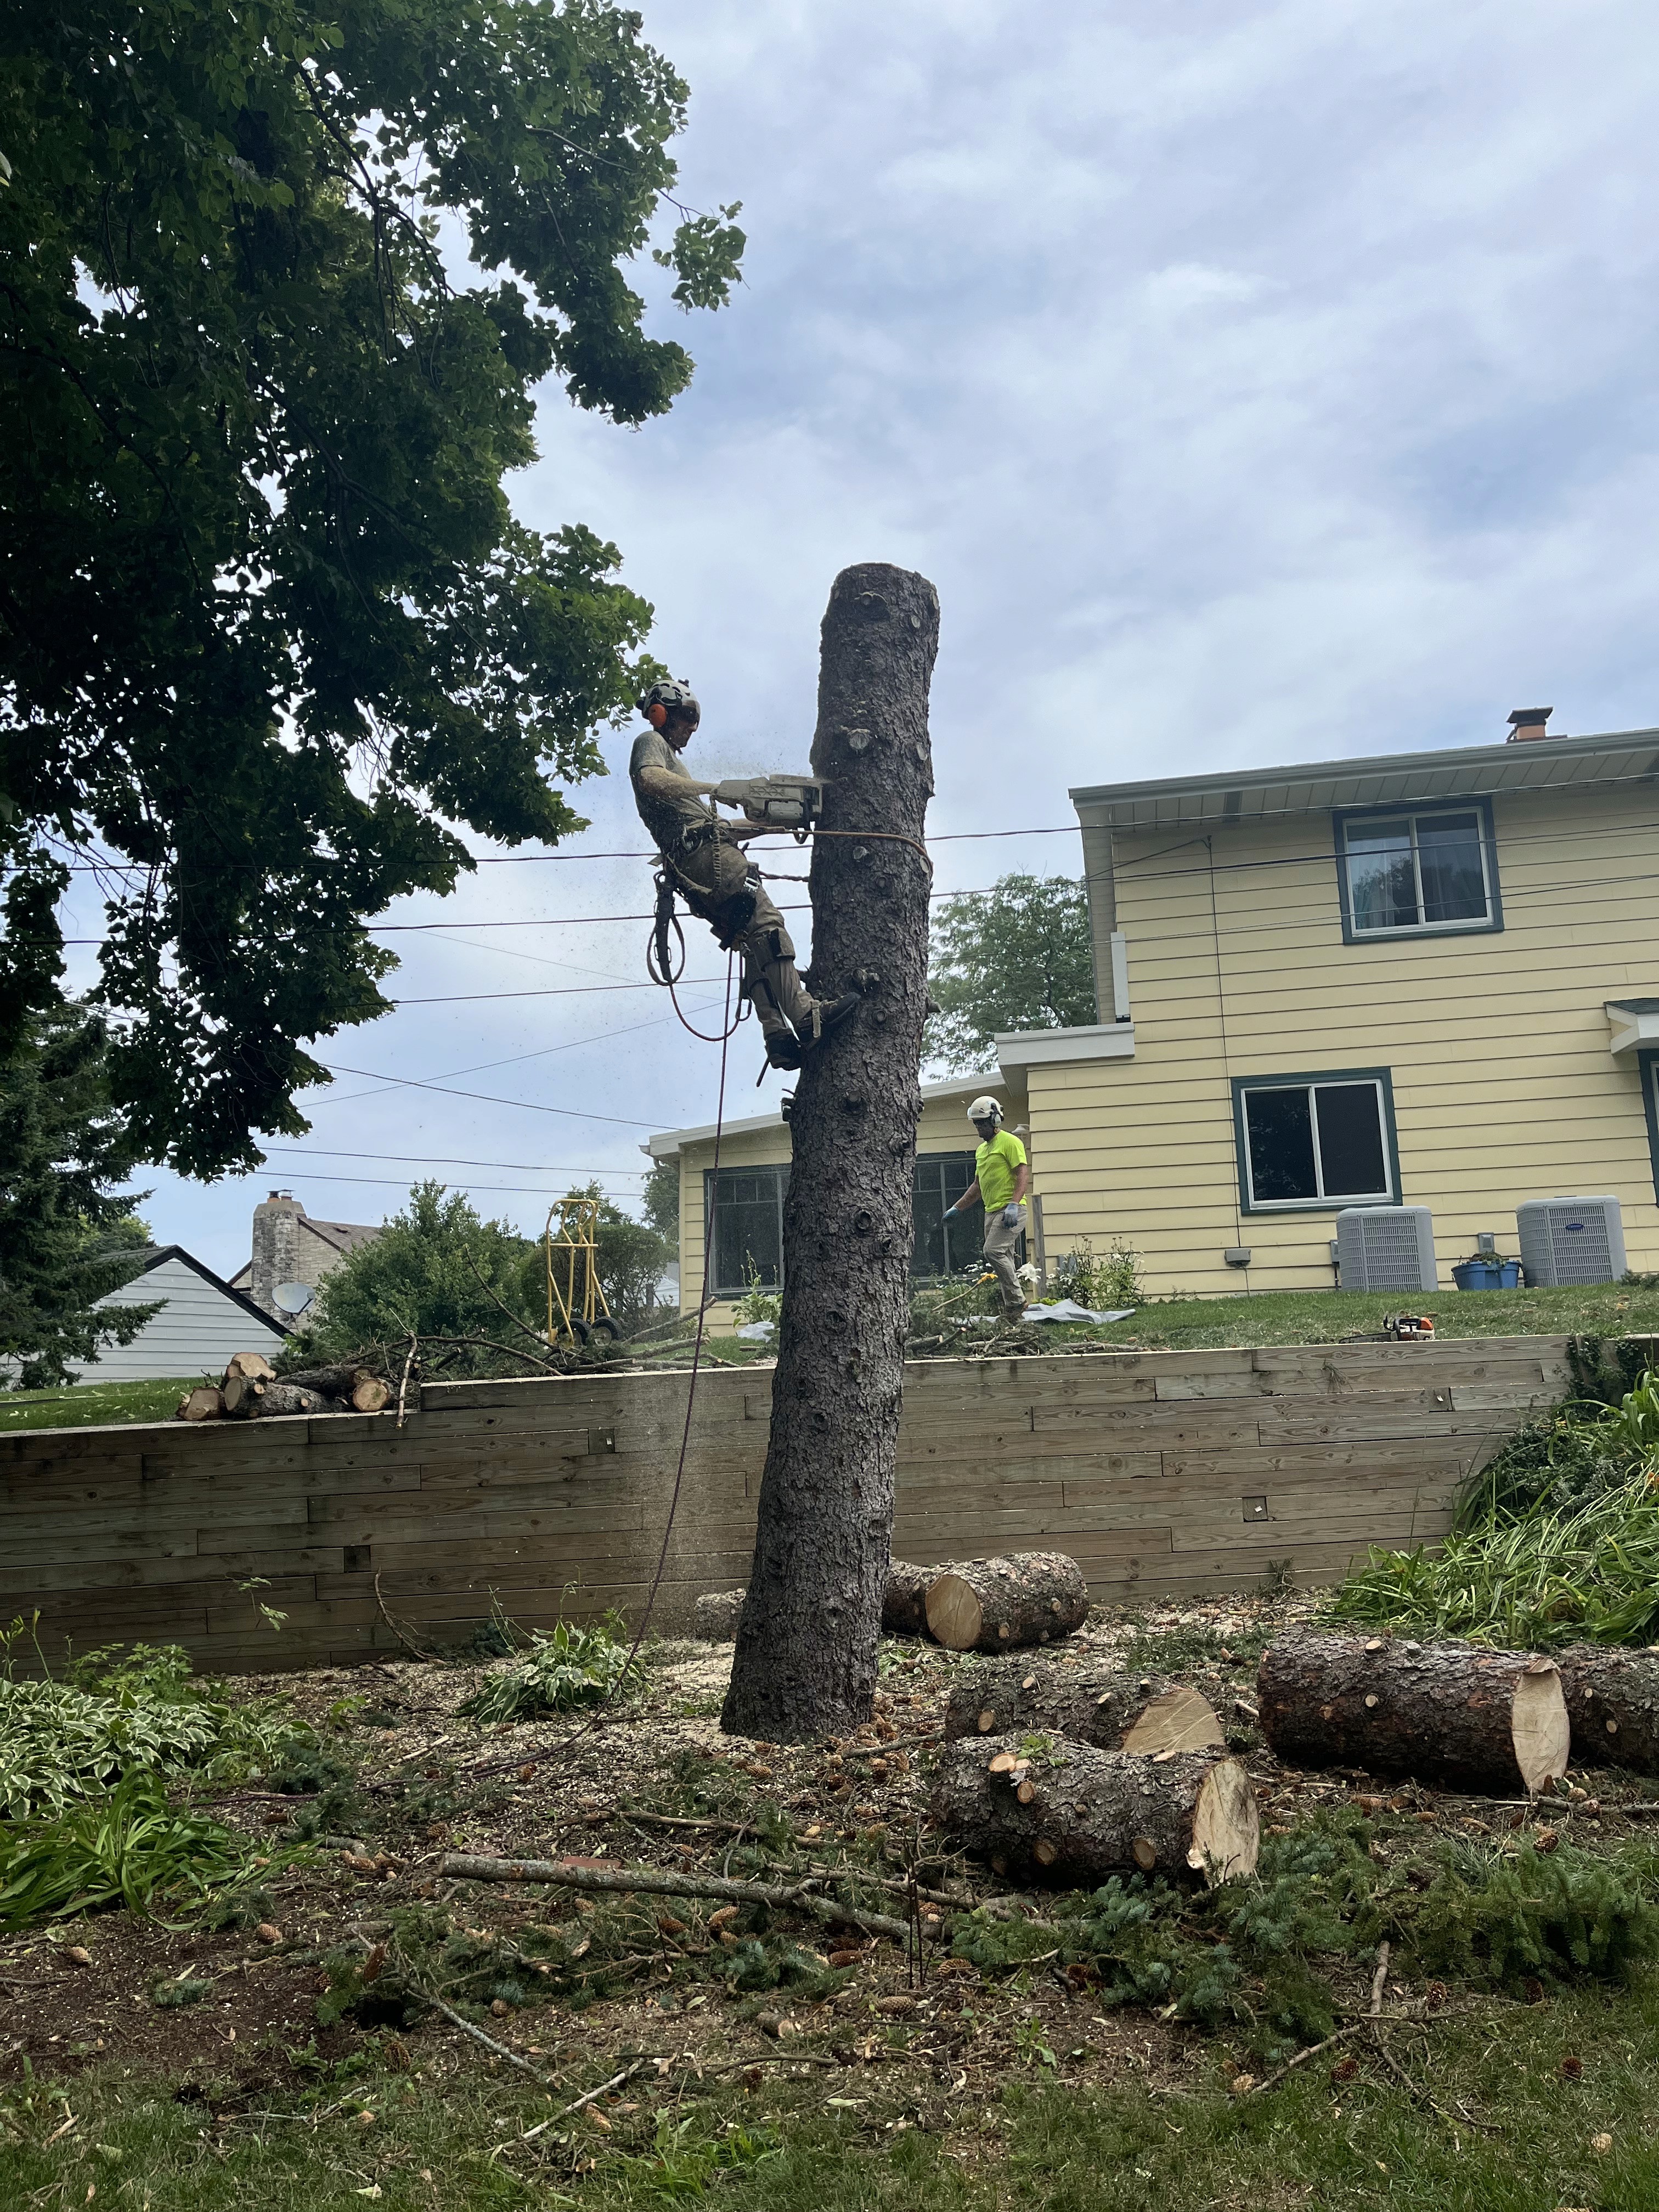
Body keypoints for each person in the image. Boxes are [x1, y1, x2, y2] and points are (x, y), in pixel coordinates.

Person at [630, 678, 860, 1069]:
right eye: (686, 717)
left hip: (698, 864)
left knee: (752, 941)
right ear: (660, 712)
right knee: (766, 923)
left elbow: (716, 827)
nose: (691, 727)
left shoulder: (680, 776)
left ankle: (778, 1037)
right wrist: (719, 789)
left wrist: (772, 823)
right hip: (707, 859)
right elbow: (651, 778)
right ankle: (806, 1016)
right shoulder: (650, 744)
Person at [947, 1094, 1030, 1320]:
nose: (979, 1127)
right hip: (991, 1211)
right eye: (976, 1123)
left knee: (991, 1251)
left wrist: (1014, 1204)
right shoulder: (982, 1151)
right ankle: (1014, 1315)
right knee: (1006, 1259)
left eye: (982, 1122)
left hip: (1011, 1210)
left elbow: (1022, 1173)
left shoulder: (1011, 1142)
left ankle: (1018, 1300)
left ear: (995, 1121)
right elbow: (978, 1185)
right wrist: (958, 1208)